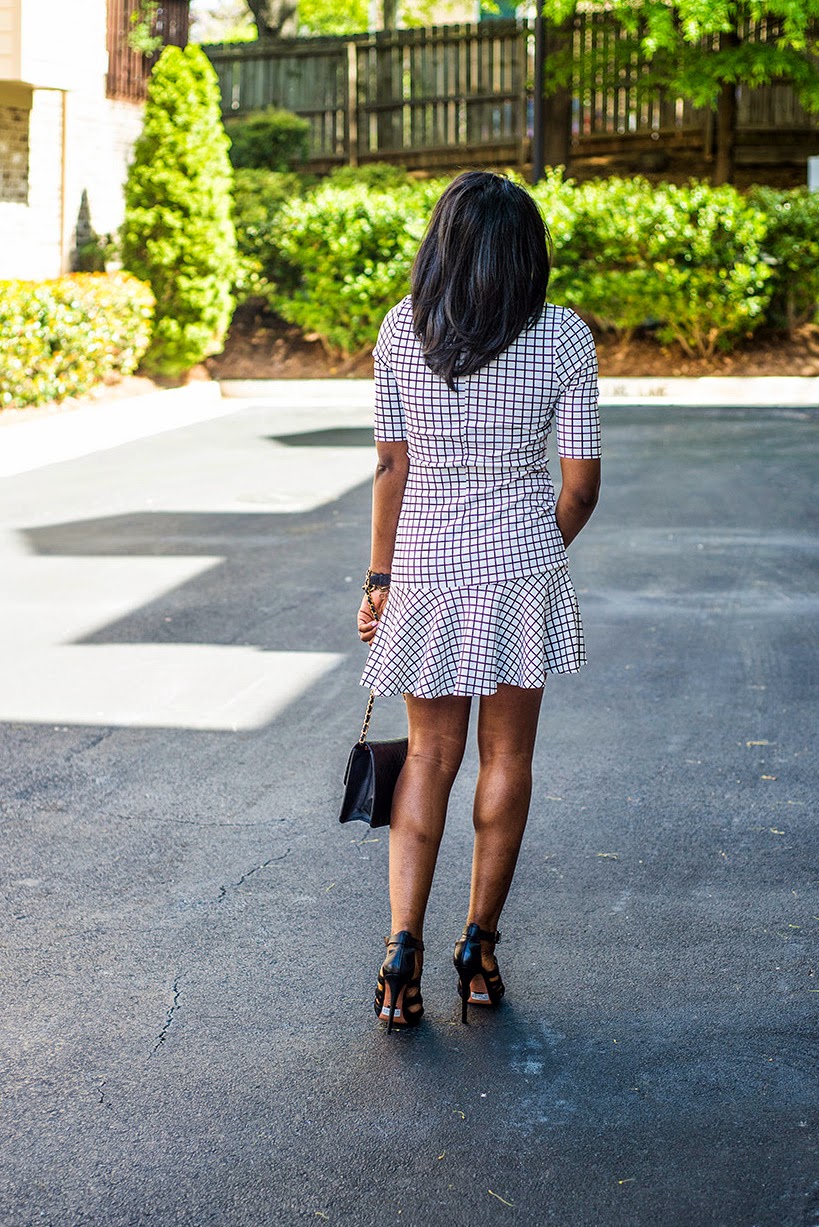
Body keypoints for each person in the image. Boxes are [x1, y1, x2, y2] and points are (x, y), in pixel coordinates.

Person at [355, 170, 601, 1032]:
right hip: (520, 572)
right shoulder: (563, 336)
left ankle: (400, 954)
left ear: (442, 246)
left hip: (423, 568)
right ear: (525, 251)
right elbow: (580, 486)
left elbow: (391, 465)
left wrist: (380, 580)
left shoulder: (401, 328)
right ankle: (479, 949)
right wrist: (532, 555)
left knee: (427, 757)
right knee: (506, 758)